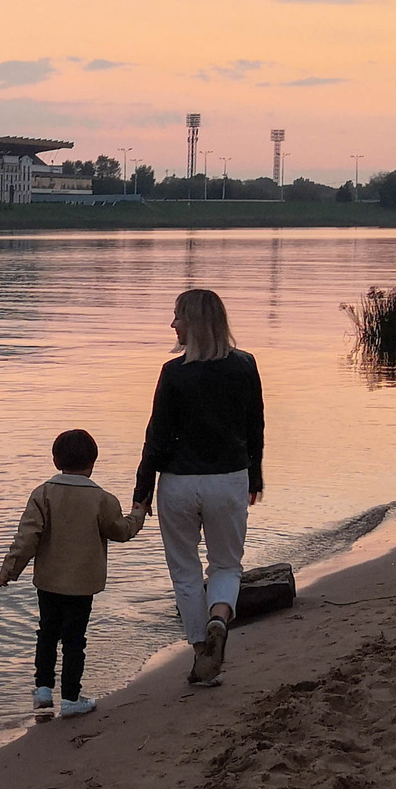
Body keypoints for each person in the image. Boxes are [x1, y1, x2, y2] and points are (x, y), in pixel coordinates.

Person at [131, 287, 265, 688]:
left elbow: (155, 438)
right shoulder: (245, 365)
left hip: (178, 484)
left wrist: (140, 494)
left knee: (185, 572)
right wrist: (255, 477)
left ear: (195, 322)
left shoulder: (174, 373)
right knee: (226, 565)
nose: (172, 324)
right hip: (228, 479)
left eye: (178, 316)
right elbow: (254, 426)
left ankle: (200, 652)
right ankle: (219, 618)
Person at [0, 428, 146, 719]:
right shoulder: (103, 499)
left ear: (55, 461)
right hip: (82, 584)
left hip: (48, 581)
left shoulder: (43, 494)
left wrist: (9, 571)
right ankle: (71, 697)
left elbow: (27, 537)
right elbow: (121, 531)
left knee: (47, 632)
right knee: (75, 639)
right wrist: (138, 513)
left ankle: (42, 689)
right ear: (93, 463)